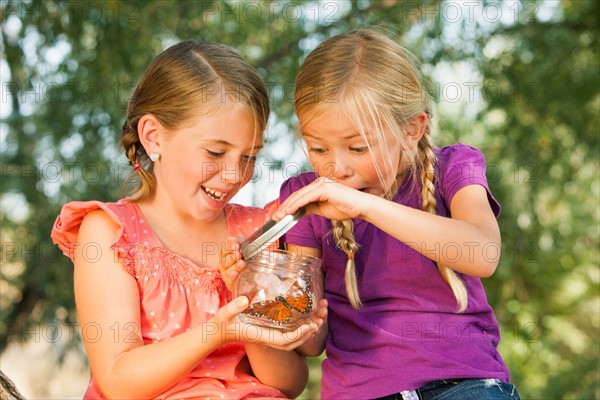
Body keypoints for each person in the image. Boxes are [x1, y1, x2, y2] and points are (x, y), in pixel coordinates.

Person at [51, 40, 322, 399]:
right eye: (215, 152)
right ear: (153, 136)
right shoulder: (111, 234)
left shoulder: (259, 234)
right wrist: (220, 331)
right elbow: (117, 379)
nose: (233, 175)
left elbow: (289, 383)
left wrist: (250, 322)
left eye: (249, 156)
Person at [273, 29, 520, 399]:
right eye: (318, 148)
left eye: (358, 147)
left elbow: (483, 253)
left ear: (412, 129)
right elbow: (311, 344)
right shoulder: (304, 199)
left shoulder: (454, 167)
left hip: (464, 385)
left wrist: (368, 208)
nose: (335, 168)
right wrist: (265, 289)